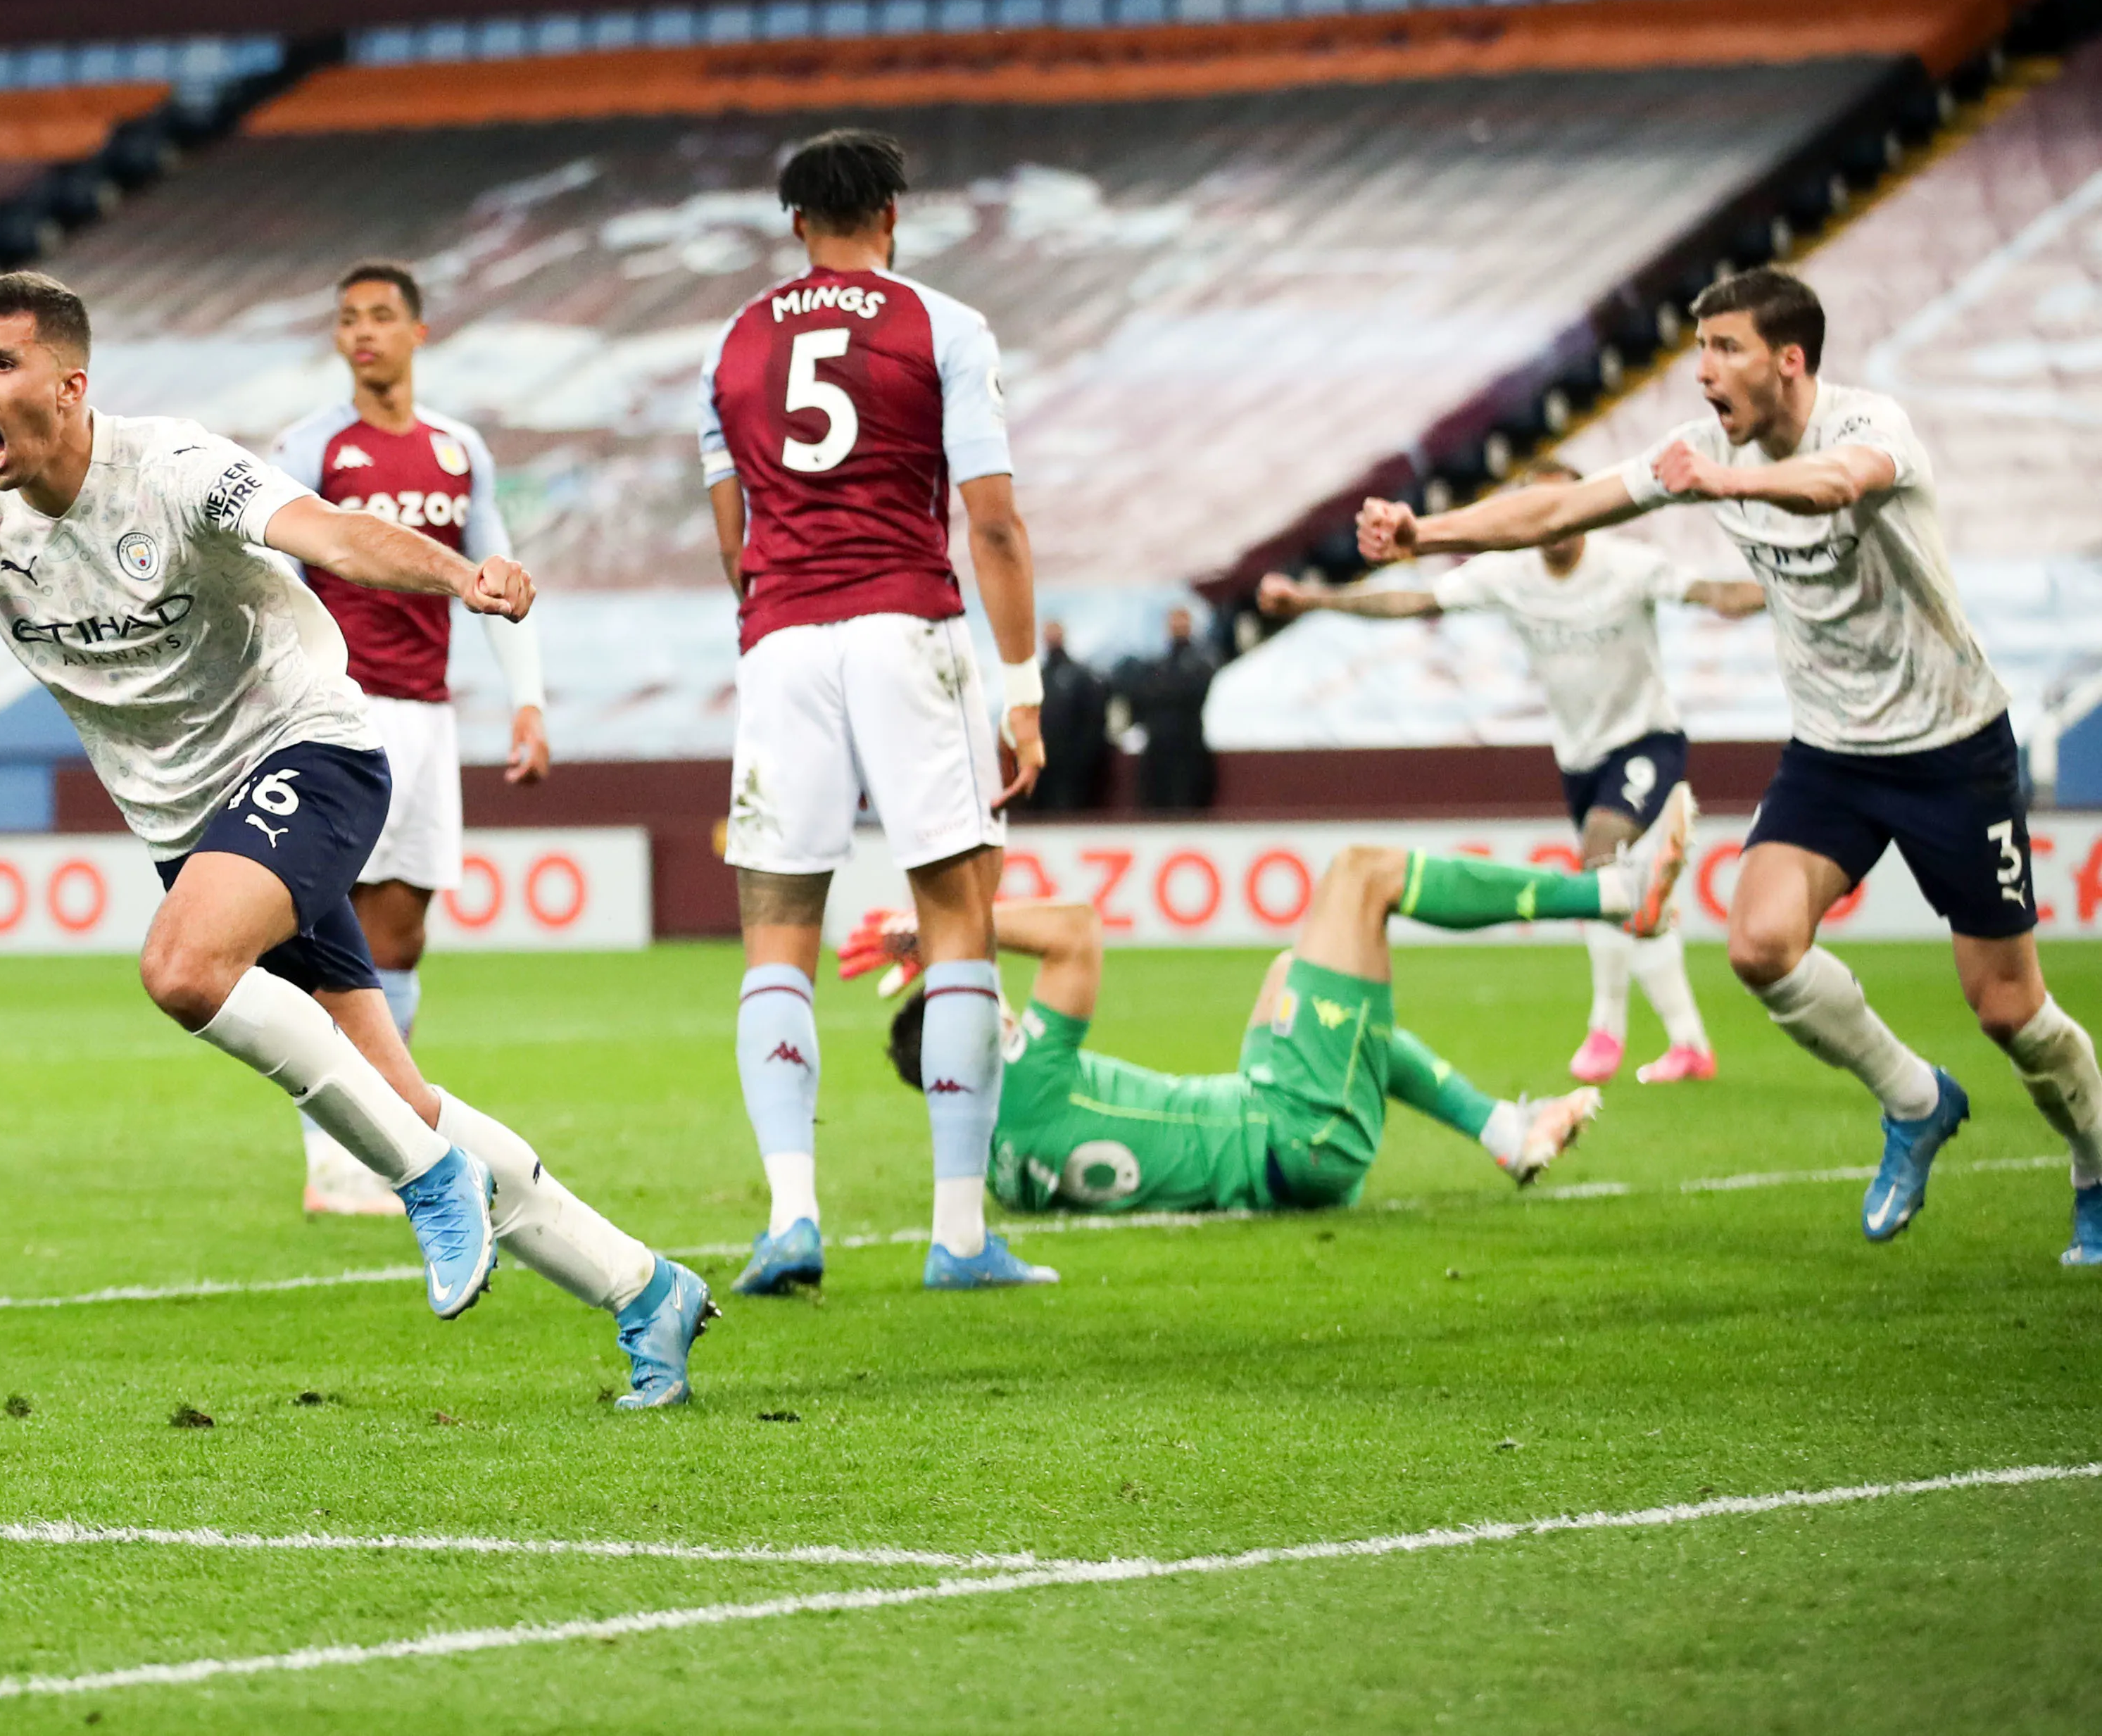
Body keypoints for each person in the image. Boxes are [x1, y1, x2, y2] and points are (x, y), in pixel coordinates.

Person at [0, 271, 715, 1406]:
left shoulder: (173, 468)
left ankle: (430, 1184)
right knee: (396, 1092)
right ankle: (642, 1287)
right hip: (192, 825)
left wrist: (461, 574)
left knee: (184, 967)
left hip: (309, 752)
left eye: (0, 365)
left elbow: (325, 530)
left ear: (72, 386)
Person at [1357, 267, 2102, 1264]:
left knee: (2009, 1008)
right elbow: (1558, 511)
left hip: (1952, 748)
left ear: (1789, 361)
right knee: (1757, 945)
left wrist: (1727, 482)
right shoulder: (1704, 449)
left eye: (1725, 349)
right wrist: (1425, 533)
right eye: (1698, 349)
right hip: (1834, 752)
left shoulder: (1867, 426)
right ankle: (1916, 1100)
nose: (1702, 372)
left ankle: (2095, 1166)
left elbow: (1840, 485)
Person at [699, 127, 1051, 1297]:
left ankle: (791, 1214)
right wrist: (1025, 689)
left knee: (776, 926)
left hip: (784, 640)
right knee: (956, 913)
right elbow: (992, 523)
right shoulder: (943, 326)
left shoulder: (734, 344)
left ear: (795, 223)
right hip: (906, 623)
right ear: (892, 217)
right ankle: (957, 1233)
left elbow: (732, 544)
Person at [839, 820, 1680, 1214]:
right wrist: (940, 934)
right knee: (1361, 871)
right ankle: (1616, 893)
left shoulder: (995, 1164)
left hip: (1270, 1152)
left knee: (1292, 976)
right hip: (1293, 1137)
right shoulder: (1026, 1075)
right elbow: (1077, 931)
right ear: (985, 1037)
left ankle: (1504, 1128)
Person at [1261, 462, 1766, 1086]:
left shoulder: (1627, 565)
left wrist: (1803, 591)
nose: (1553, 523)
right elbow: (1412, 600)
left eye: (1567, 506)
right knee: (1631, 893)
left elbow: (1716, 595)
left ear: (1588, 508)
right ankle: (1689, 1042)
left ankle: (1606, 1027)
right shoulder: (1508, 572)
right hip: (1579, 758)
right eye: (1539, 508)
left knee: (1601, 861)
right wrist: (1313, 600)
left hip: (1646, 741)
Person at [266, 260, 549, 1217]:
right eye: (348, 319)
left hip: (428, 714)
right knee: (326, 928)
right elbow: (272, 568)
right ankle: (335, 1155)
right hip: (342, 712)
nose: (364, 333)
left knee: (402, 935)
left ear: (417, 332)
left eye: (382, 316)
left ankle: (383, 1133)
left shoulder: (459, 450)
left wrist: (529, 701)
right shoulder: (314, 448)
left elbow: (495, 567)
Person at [1114, 606, 1217, 812]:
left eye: (1182, 620)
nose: (1177, 626)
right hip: (1158, 750)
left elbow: (1191, 693)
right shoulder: (1158, 665)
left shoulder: (1202, 663)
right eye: (1174, 621)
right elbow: (1142, 696)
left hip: (1188, 749)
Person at [1033, 619, 1110, 814]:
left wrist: (1082, 756)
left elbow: (1094, 719)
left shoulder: (1080, 676)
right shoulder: (1039, 675)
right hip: (1042, 766)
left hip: (1072, 767)